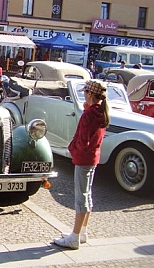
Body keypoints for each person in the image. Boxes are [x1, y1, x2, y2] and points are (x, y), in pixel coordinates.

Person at [53, 80, 109, 250]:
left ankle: (74, 237)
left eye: (86, 91)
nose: (84, 93)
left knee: (80, 198)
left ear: (91, 94)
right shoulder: (100, 112)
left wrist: (72, 149)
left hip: (84, 158)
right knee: (87, 194)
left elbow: (82, 139)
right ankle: (82, 231)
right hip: (93, 157)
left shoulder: (89, 115)